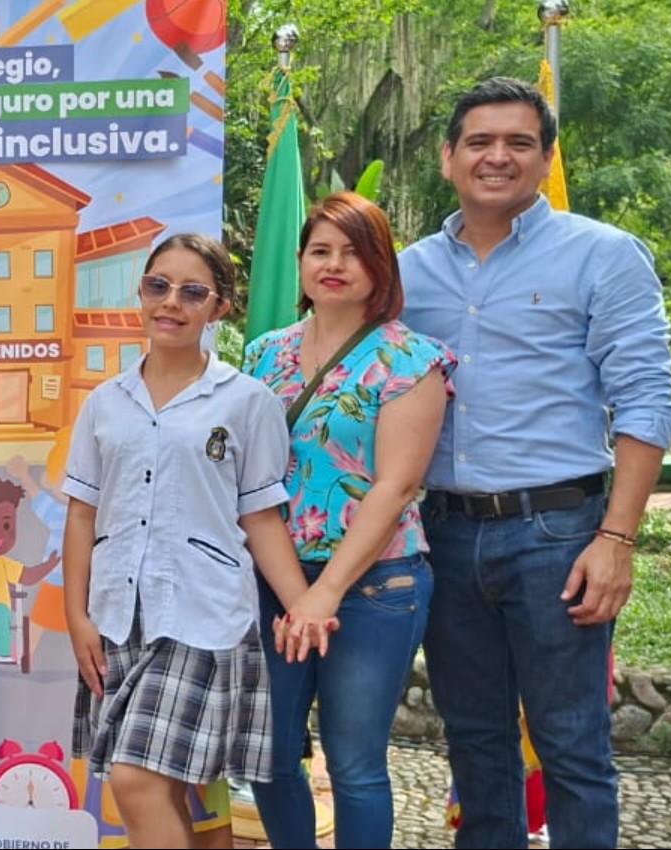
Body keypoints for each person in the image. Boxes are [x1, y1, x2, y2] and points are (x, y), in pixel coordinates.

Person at [400, 77, 671, 849]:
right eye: (480, 142)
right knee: (475, 743)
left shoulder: (604, 255)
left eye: (519, 143)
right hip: (444, 536)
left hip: (559, 534)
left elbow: (648, 403)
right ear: (448, 157)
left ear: (545, 157)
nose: (499, 157)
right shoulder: (406, 272)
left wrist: (617, 540)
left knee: (572, 745)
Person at [63, 233, 315, 849]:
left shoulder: (247, 402)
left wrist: (304, 604)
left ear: (219, 306)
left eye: (192, 291)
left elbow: (260, 518)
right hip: (119, 617)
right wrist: (77, 616)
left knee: (136, 780)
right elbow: (81, 515)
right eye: (158, 286)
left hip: (203, 617)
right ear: (141, 293)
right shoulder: (104, 403)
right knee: (169, 792)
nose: (171, 303)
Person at [242, 192, 453, 848]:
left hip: (374, 587)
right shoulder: (261, 357)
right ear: (301, 263)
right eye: (320, 251)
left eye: (353, 251)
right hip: (275, 582)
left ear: (380, 267)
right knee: (271, 757)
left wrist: (324, 594)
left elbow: (395, 488)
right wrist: (296, 597)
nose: (335, 264)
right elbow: (253, 486)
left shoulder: (411, 360)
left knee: (356, 762)